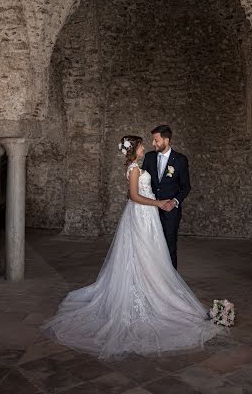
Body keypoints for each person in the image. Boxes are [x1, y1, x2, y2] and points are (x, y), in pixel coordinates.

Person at [41, 135, 220, 360]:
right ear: (135, 149)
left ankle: (156, 287)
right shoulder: (135, 168)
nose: (146, 147)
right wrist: (157, 202)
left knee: (150, 254)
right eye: (142, 145)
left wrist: (156, 202)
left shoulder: (135, 167)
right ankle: (148, 293)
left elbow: (132, 194)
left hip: (146, 216)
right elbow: (134, 196)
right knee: (140, 254)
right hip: (141, 214)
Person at [142, 125, 190, 270]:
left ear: (166, 140)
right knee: (149, 246)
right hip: (150, 210)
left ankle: (171, 283)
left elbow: (186, 187)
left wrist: (174, 202)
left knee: (169, 246)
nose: (153, 143)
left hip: (171, 212)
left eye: (156, 140)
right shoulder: (149, 157)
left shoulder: (180, 160)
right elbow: (144, 181)